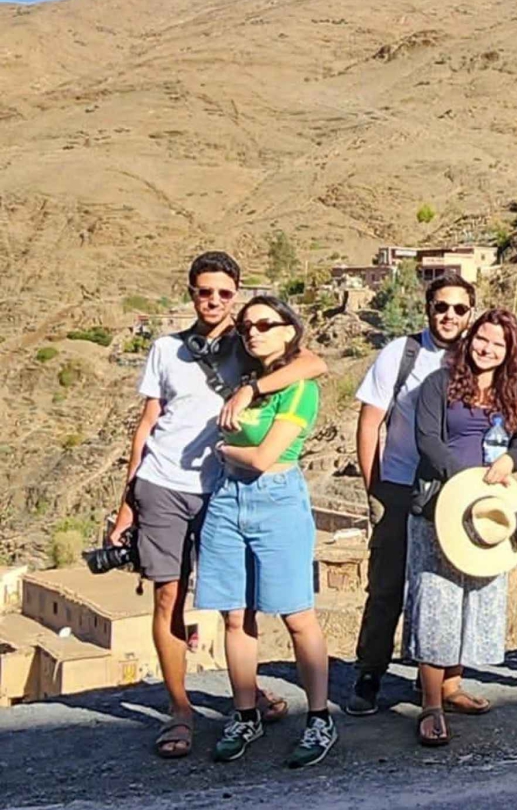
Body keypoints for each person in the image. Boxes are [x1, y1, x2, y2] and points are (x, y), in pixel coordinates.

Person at [106, 251, 324, 759]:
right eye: (205, 292)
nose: (214, 301)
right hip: (165, 484)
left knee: (240, 606)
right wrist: (127, 502)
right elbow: (147, 424)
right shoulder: (166, 349)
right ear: (191, 293)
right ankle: (180, 710)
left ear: (236, 295)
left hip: (227, 487)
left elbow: (313, 364)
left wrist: (250, 388)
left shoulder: (249, 344)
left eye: (225, 293)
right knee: (169, 596)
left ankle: (248, 700)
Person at [200, 296, 334, 767]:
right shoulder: (245, 377)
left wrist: (222, 450)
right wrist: (247, 391)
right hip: (228, 499)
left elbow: (261, 457)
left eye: (264, 324)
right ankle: (244, 713)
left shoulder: (297, 389)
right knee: (236, 616)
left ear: (288, 330)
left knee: (297, 615)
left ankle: (319, 717)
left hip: (275, 499)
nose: (253, 332)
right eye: (246, 326)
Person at [347, 274, 476, 716]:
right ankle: (370, 673)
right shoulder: (401, 354)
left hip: (455, 492)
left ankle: (440, 680)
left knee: (447, 588)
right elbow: (370, 423)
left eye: (459, 309)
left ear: (470, 314)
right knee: (387, 585)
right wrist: (375, 487)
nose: (449, 316)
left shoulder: (477, 357)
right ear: (428, 309)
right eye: (441, 307)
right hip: (400, 485)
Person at [406, 308, 517, 744]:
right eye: (482, 338)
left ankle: (452, 686)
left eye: (499, 343)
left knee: (470, 598)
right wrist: (467, 480)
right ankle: (430, 704)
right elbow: (427, 440)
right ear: (469, 338)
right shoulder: (438, 384)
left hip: (487, 512)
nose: (487, 349)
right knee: (437, 601)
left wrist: (509, 460)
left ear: (510, 352)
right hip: (439, 504)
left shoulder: (512, 393)